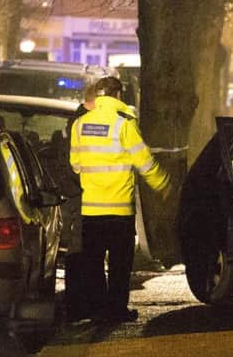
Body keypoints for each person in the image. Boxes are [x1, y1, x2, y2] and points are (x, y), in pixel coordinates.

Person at [70, 76, 171, 323]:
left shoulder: (80, 124)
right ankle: (116, 310)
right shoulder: (124, 124)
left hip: (91, 209)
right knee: (119, 264)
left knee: (93, 263)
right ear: (118, 96)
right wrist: (164, 185)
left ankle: (97, 309)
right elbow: (144, 162)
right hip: (119, 210)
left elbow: (75, 165)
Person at [63, 83, 96, 323]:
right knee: (81, 254)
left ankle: (79, 306)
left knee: (81, 254)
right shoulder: (84, 124)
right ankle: (79, 306)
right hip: (83, 199)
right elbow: (76, 167)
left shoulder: (76, 122)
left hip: (83, 198)